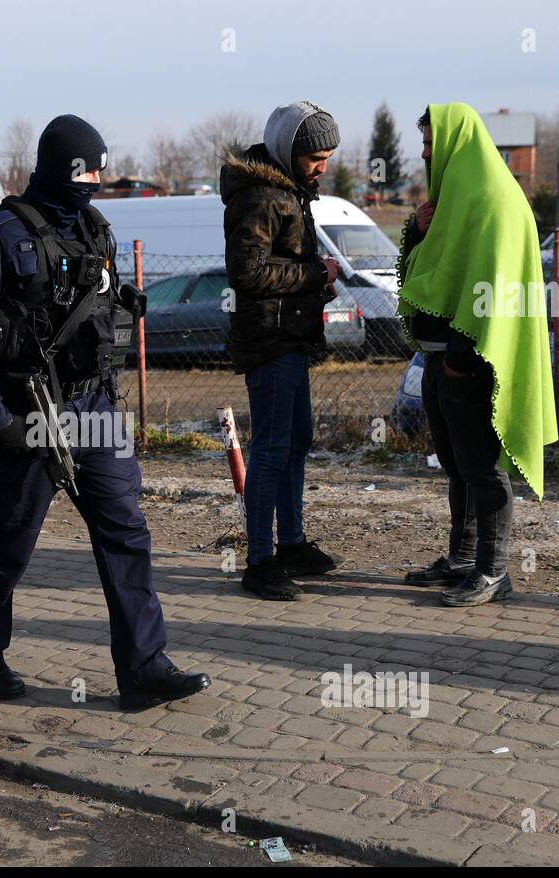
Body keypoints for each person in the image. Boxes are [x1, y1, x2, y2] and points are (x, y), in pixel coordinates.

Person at [0, 113, 209, 711]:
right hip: (28, 411)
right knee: (10, 540)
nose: (94, 181)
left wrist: (122, 300)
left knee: (127, 534)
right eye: (87, 171)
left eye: (100, 172)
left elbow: (95, 291)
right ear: (62, 168)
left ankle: (144, 667)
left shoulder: (95, 228)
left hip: (95, 409)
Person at [398, 103, 556, 606]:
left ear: (455, 145)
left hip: (468, 363)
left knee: (484, 469)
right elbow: (423, 275)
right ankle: (463, 558)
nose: (425, 155)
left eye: (430, 145)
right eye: (423, 146)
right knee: (457, 465)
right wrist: (417, 233)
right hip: (439, 358)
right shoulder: (454, 201)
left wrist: (462, 358)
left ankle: (494, 570)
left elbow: (495, 284)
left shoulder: (492, 199)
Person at [221, 101, 343, 600]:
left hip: (293, 340)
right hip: (270, 344)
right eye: (316, 156)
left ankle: (291, 545)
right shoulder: (261, 197)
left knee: (295, 442)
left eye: (328, 156)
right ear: (287, 150)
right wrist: (315, 275)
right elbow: (247, 272)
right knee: (271, 450)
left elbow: (281, 264)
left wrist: (316, 283)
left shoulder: (291, 193)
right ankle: (260, 561)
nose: (323, 166)